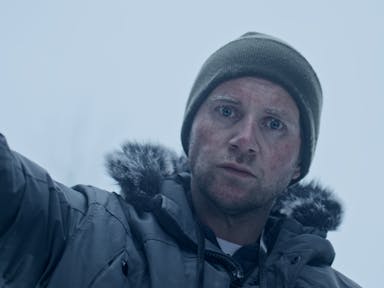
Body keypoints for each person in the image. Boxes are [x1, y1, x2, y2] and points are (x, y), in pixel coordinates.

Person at [0, 32, 360, 287]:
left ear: (299, 163)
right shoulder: (81, 229)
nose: (245, 140)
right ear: (190, 132)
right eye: (226, 111)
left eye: (273, 124)